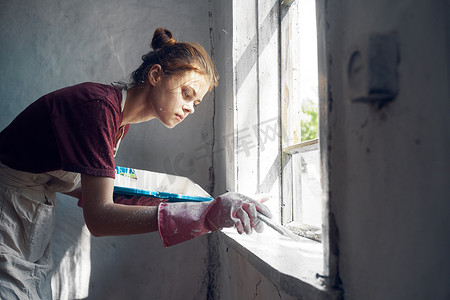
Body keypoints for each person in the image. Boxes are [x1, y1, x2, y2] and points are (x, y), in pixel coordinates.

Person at [0, 27, 272, 299]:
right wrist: (205, 215)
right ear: (155, 75)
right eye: (187, 94)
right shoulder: (98, 110)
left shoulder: (118, 120)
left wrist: (202, 203)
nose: (190, 108)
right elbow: (100, 218)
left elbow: (94, 190)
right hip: (7, 211)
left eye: (196, 103)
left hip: (27, 216)